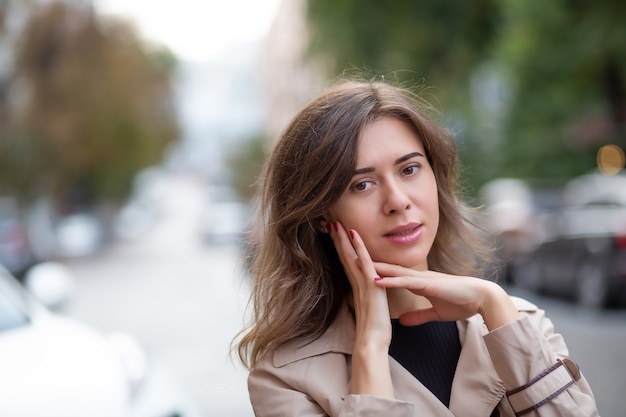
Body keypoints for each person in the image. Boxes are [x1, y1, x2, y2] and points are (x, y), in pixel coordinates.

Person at [233, 78, 599, 416]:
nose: (398, 200)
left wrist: (494, 302)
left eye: (409, 169)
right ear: (319, 215)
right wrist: (371, 347)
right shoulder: (285, 377)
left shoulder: (519, 322)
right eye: (361, 185)